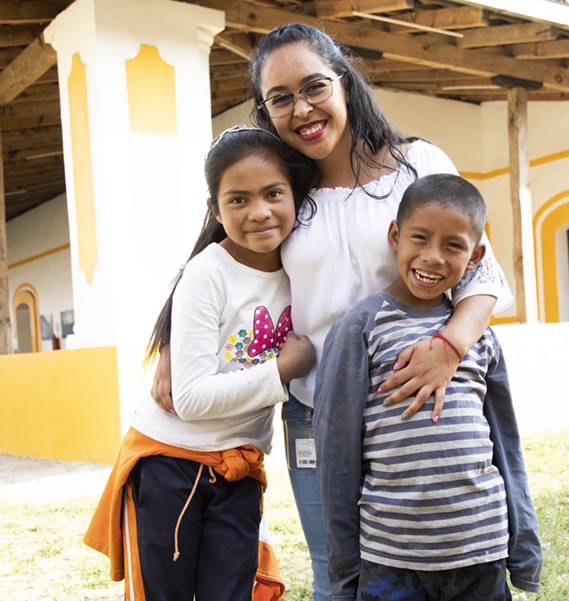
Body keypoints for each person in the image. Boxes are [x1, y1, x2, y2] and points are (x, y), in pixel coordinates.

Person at [151, 23, 514, 601]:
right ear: (267, 111)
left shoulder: (417, 164)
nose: (302, 109)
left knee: (448, 571)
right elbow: (225, 261)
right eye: (281, 98)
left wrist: (451, 346)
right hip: (317, 417)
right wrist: (174, 341)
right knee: (337, 580)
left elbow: (482, 269)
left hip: (419, 410)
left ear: (344, 83)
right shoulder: (284, 187)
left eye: (313, 86)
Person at [83, 125, 319, 601]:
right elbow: (189, 399)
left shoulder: (303, 261)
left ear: (296, 194)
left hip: (239, 469)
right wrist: (281, 371)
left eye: (274, 193)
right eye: (237, 200)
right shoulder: (208, 272)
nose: (259, 212)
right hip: (171, 462)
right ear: (214, 209)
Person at [314, 173, 543, 601]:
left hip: (481, 550)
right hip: (392, 556)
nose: (433, 257)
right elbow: (337, 457)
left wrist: (523, 545)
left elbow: (506, 447)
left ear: (475, 257)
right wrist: (344, 576)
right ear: (395, 236)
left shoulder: (479, 338)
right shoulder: (361, 329)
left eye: (453, 246)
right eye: (419, 238)